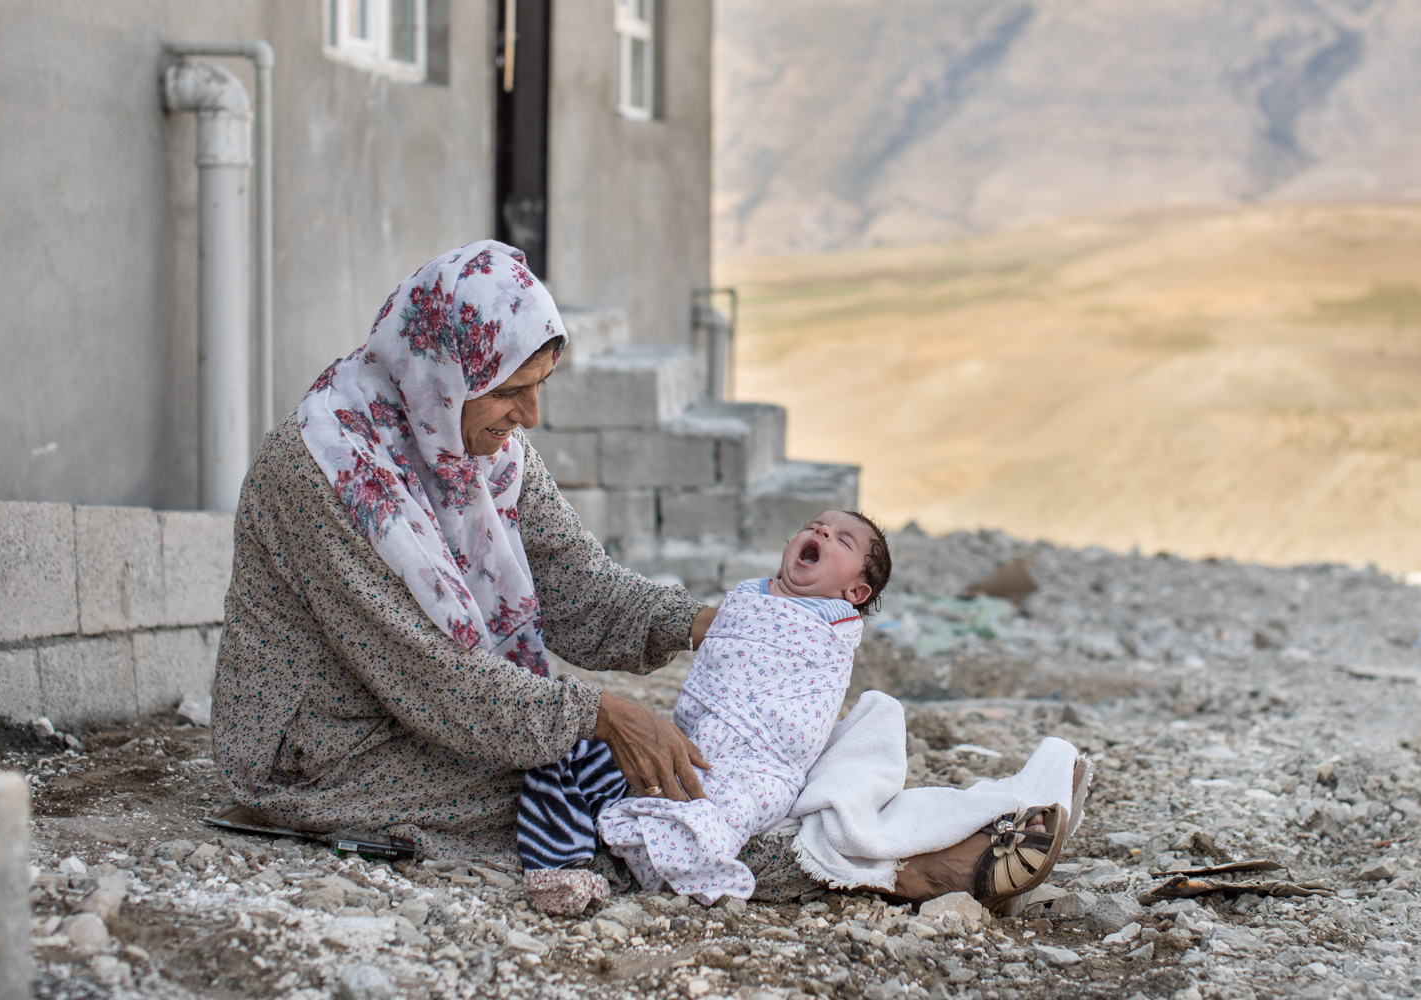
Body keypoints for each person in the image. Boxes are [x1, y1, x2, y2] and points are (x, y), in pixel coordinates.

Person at [211, 239, 1084, 914]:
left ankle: (913, 825)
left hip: (432, 710)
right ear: (442, 374)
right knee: (621, 793)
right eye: (512, 392)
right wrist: (595, 710)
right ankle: (908, 868)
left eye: (540, 386)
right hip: (321, 752)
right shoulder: (324, 471)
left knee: (699, 762)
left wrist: (709, 626)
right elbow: (429, 680)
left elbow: (579, 588)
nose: (530, 417)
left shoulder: (482, 449)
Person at [518, 510, 890, 906]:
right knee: (574, 756)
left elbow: (807, 704)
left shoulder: (834, 629)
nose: (823, 531)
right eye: (814, 526)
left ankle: (679, 854)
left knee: (731, 804)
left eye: (842, 540)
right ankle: (569, 858)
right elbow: (722, 654)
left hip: (762, 761)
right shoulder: (751, 596)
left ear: (856, 593)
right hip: (700, 737)